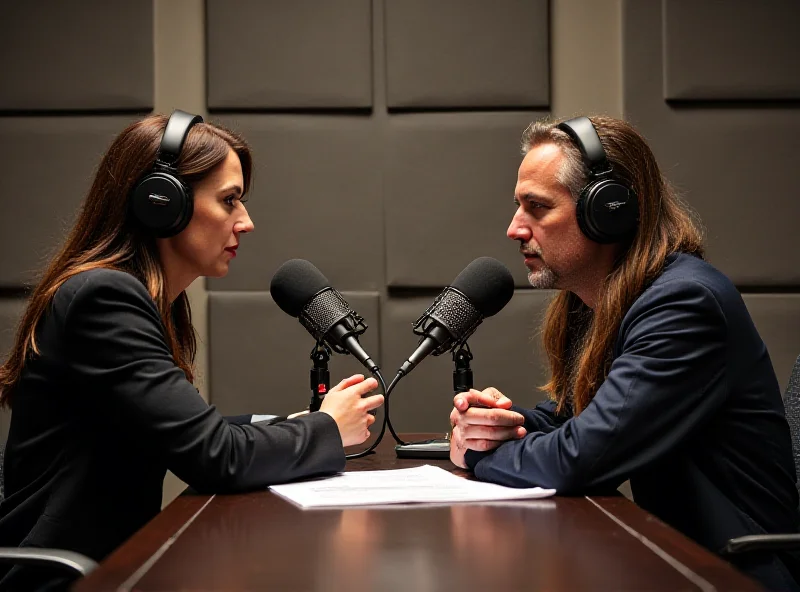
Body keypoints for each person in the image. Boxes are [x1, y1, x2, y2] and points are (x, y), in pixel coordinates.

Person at [0, 110, 383, 590]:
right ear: (161, 204)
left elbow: (188, 430)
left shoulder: (137, 298)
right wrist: (325, 428)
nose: (246, 222)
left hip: (119, 568)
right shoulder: (104, 299)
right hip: (68, 581)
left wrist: (289, 425)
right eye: (229, 201)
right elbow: (213, 455)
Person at [448, 115, 800, 590]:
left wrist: (480, 458)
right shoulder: (602, 300)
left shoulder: (684, 304)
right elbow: (575, 419)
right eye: (518, 206)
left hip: (733, 573)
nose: (515, 228)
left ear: (607, 211)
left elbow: (583, 456)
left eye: (537, 207)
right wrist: (500, 426)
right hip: (670, 556)